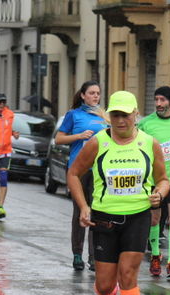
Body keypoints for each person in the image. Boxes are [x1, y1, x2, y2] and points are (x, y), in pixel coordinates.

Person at [67, 90, 169, 295]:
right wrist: (84, 206)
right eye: (115, 115)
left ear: (136, 115)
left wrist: (160, 193)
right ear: (108, 116)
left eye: (125, 115)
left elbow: (163, 179)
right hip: (104, 219)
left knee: (129, 275)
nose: (120, 120)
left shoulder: (150, 144)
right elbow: (74, 174)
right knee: (103, 284)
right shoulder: (98, 143)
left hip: (138, 216)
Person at [138, 86, 170, 278]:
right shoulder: (146, 124)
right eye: (156, 100)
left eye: (162, 100)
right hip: (155, 181)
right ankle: (156, 257)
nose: (158, 104)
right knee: (154, 220)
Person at [55, 81, 107, 271]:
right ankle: (77, 254)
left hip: (99, 170)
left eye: (98, 93)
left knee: (97, 212)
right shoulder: (73, 115)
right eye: (92, 93)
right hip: (78, 170)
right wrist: (78, 136)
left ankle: (94, 257)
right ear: (83, 95)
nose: (95, 96)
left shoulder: (103, 115)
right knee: (80, 212)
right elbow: (58, 138)